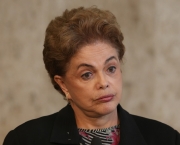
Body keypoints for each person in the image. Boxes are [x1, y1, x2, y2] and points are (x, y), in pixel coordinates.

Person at [3, 6, 180, 145]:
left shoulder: (166, 139)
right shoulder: (25, 140)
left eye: (110, 68)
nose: (104, 83)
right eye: (87, 74)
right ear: (63, 83)